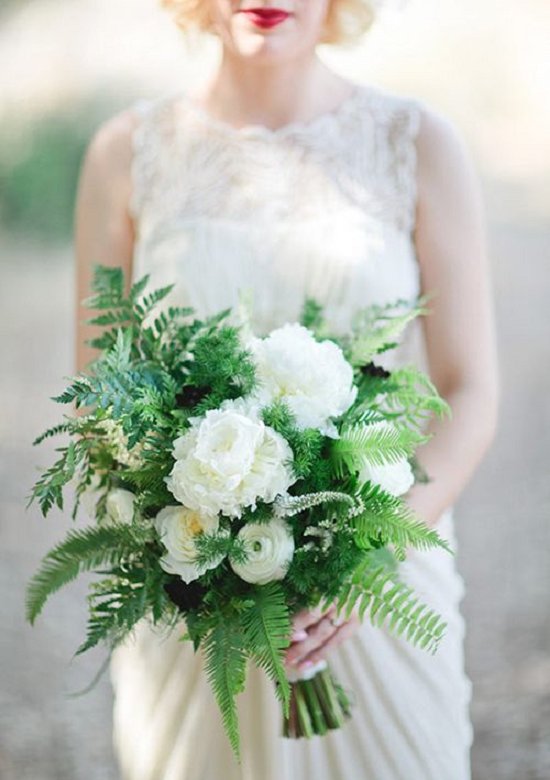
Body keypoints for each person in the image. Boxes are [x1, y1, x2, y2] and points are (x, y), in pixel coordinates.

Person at [74, 1, 499, 777]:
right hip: (195, 583)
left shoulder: (419, 144)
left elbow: (470, 388)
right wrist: (192, 516)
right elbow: (101, 391)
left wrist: (368, 552)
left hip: (378, 587)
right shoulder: (124, 154)